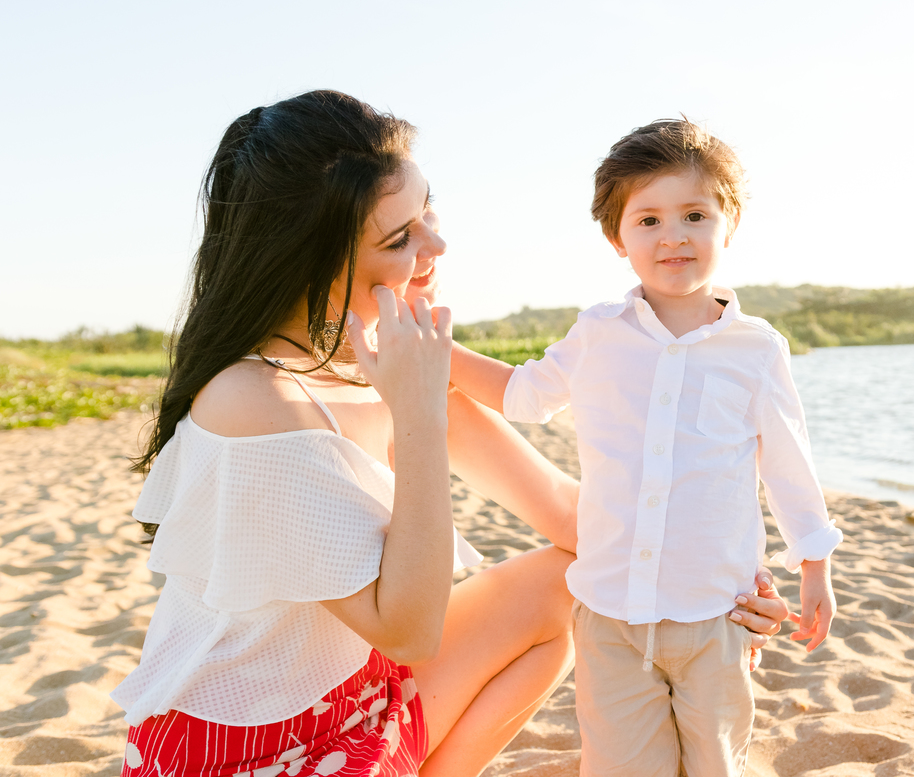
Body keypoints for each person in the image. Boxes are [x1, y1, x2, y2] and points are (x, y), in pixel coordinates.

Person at [109, 92, 790, 777]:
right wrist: (417, 411)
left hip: (355, 699)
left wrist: (718, 580)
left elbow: (575, 520)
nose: (436, 245)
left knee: (566, 585)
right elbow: (408, 629)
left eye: (427, 208)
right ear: (310, 261)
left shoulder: (381, 363)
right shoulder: (253, 402)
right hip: (250, 750)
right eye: (400, 237)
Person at [450, 119, 842, 776]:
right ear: (617, 238)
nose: (674, 236)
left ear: (729, 224)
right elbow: (524, 395)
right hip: (610, 614)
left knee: (715, 761)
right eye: (649, 220)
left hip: (716, 614)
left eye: (694, 215)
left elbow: (787, 465)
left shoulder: (756, 348)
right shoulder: (599, 334)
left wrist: (814, 565)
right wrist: (436, 354)